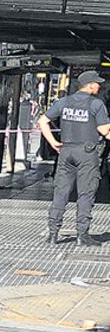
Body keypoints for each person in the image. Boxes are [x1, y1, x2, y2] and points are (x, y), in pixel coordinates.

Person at [38, 71, 110, 246]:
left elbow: (42, 121)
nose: (99, 86)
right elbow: (105, 131)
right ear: (91, 85)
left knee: (61, 192)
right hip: (87, 153)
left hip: (66, 151)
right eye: (97, 83)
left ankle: (53, 234)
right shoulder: (96, 104)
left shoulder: (64, 102)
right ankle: (82, 235)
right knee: (86, 193)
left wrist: (54, 142)